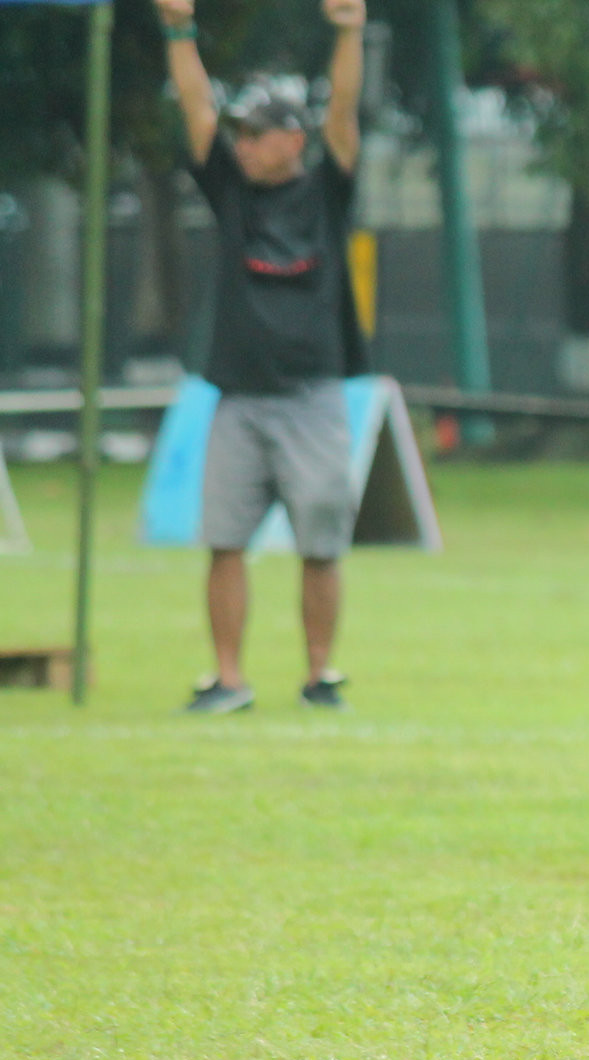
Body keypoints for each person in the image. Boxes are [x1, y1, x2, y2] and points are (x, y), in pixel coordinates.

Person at [157, 0, 370, 713]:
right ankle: (228, 678)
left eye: (256, 134)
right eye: (240, 134)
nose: (242, 145)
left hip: (312, 396)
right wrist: (180, 29)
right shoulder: (232, 195)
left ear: (293, 140)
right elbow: (195, 109)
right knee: (223, 541)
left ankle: (319, 675)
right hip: (239, 399)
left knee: (321, 545)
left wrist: (348, 31)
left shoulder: (326, 192)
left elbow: (344, 110)